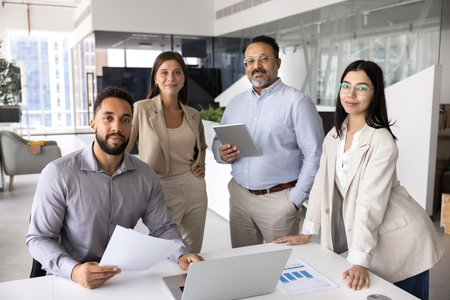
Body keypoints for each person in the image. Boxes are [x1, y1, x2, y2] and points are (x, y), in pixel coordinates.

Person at [273, 60, 444, 299]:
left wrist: (360, 260)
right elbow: (321, 185)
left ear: (375, 94)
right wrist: (307, 232)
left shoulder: (381, 140)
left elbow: (369, 204)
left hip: (402, 238)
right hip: (373, 235)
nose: (351, 94)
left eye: (362, 87)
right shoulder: (334, 135)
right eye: (346, 85)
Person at [26, 86, 202, 289]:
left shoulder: (145, 175)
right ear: (93, 123)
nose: (117, 127)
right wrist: (74, 271)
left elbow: (162, 227)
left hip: (119, 278)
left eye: (125, 119)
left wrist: (182, 253)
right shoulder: (58, 173)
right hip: (68, 278)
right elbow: (39, 238)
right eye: (108, 118)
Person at [212, 35, 324, 248]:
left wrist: (295, 199)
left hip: (279, 201)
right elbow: (219, 140)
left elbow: (315, 153)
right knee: (243, 264)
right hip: (239, 197)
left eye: (263, 59)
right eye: (250, 61)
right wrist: (221, 153)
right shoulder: (235, 103)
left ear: (278, 63)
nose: (256, 66)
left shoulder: (297, 102)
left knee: (282, 268)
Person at [125, 51, 207, 253]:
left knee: (193, 250)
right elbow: (124, 150)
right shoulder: (142, 109)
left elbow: (201, 146)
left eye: (177, 72)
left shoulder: (193, 114)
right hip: (161, 188)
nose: (171, 78)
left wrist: (201, 165)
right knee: (166, 251)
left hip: (194, 188)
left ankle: (189, 285)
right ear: (155, 78)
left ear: (184, 78)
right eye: (164, 72)